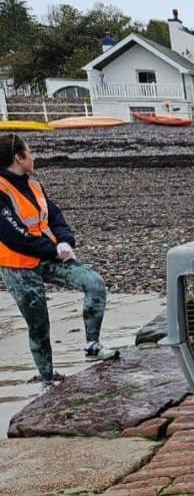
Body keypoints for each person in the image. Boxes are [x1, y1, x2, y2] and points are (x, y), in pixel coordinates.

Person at [0, 135, 115, 387]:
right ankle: (47, 378)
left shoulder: (35, 186)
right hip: (18, 266)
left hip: (50, 256)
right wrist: (53, 250)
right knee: (39, 325)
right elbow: (14, 237)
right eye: (30, 152)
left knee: (94, 284)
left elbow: (55, 216)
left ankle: (92, 345)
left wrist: (65, 241)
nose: (34, 157)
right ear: (18, 158)